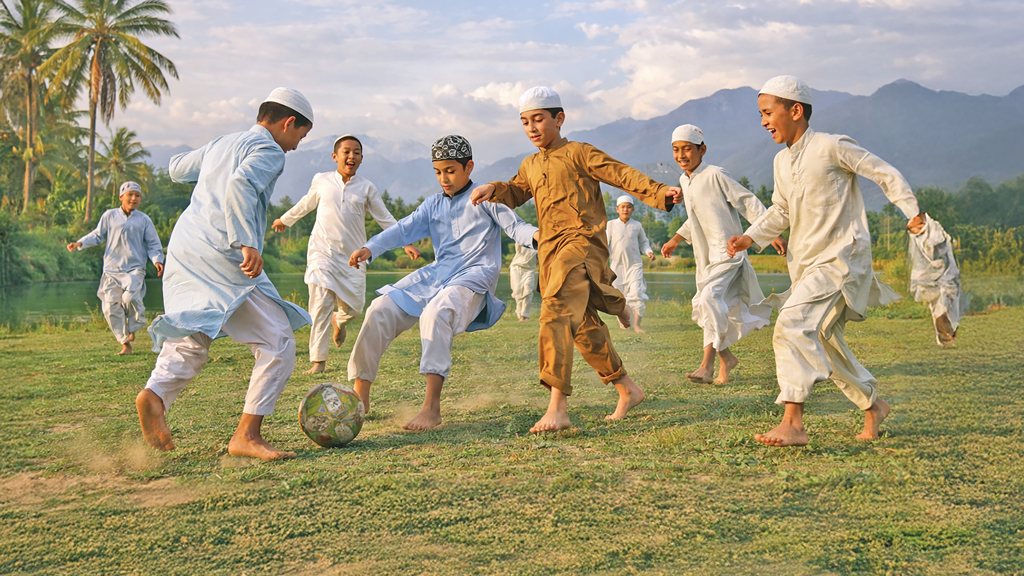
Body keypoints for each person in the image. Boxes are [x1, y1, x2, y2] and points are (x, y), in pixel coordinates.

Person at [727, 75, 925, 447]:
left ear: (795, 110)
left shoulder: (832, 147)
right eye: (760, 115)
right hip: (805, 265)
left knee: (791, 323)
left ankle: (793, 423)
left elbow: (882, 172)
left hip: (840, 260)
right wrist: (750, 236)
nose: (764, 122)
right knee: (823, 339)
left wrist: (911, 211)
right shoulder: (780, 162)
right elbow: (781, 209)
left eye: (768, 113)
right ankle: (873, 405)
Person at [471, 86, 681, 433]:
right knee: (583, 326)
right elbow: (517, 190)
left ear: (559, 118)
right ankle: (627, 387)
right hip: (551, 253)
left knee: (554, 311)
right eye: (525, 122)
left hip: (582, 244)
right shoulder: (530, 164)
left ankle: (557, 407)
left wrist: (659, 192)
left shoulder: (579, 152)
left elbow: (621, 174)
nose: (532, 127)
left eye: (538, 119)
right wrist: (495, 188)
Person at [135, 88, 315, 461]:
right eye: (300, 136)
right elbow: (240, 186)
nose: (295, 147)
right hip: (223, 248)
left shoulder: (224, 141)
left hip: (185, 245)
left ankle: (155, 394)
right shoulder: (268, 150)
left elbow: (176, 168)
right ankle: (246, 436)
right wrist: (247, 242)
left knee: (191, 335)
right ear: (288, 123)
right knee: (277, 339)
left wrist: (214, 165)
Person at [348, 135, 538, 431]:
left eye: (450, 170)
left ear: (469, 167)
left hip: (474, 276)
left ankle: (431, 408)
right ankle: (361, 394)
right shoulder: (432, 205)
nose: (443, 178)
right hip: (438, 274)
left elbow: (518, 228)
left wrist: (543, 238)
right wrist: (370, 247)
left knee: (436, 313)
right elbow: (402, 230)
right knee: (379, 309)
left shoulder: (486, 197)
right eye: (438, 172)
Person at [271, 135, 419, 375]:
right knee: (319, 306)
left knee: (356, 308)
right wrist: (285, 220)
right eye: (347, 152)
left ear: (361, 158)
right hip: (322, 253)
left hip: (353, 258)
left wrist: (406, 243)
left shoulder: (366, 187)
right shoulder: (322, 181)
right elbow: (305, 204)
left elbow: (384, 218)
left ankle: (339, 321)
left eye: (357, 152)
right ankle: (318, 362)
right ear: (335, 156)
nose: (352, 156)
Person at [660, 124, 785, 384]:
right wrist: (675, 239)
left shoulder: (715, 174)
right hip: (705, 258)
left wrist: (769, 232)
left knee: (708, 298)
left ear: (701, 150)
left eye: (687, 149)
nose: (681, 155)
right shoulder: (685, 180)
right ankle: (726, 358)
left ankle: (707, 365)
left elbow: (746, 201)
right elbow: (696, 217)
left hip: (729, 253)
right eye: (676, 150)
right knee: (707, 305)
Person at [67, 181, 164, 355]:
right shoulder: (109, 216)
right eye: (130, 195)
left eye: (137, 195)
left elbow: (153, 244)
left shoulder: (144, 220)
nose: (134, 198)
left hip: (134, 269)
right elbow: (97, 235)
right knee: (111, 306)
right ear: (121, 197)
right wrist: (80, 242)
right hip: (112, 270)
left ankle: (132, 326)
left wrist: (157, 260)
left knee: (130, 298)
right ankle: (125, 343)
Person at [908, 214, 964, 346]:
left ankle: (948, 333)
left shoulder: (935, 231)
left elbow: (937, 246)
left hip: (945, 273)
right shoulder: (920, 236)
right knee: (936, 306)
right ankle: (943, 336)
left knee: (946, 303)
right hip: (930, 276)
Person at [606, 195, 655, 333]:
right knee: (618, 296)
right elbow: (605, 242)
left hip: (634, 265)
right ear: (617, 209)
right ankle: (623, 321)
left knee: (636, 293)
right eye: (622, 207)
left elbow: (644, 242)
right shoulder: (611, 225)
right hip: (616, 267)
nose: (625, 210)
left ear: (632, 209)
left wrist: (649, 252)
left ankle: (637, 325)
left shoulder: (636, 225)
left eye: (628, 207)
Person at [509, 243, 538, 322]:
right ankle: (520, 313)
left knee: (528, 290)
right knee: (517, 291)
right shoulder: (522, 240)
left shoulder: (540, 242)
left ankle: (525, 315)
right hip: (516, 267)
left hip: (529, 269)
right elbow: (517, 246)